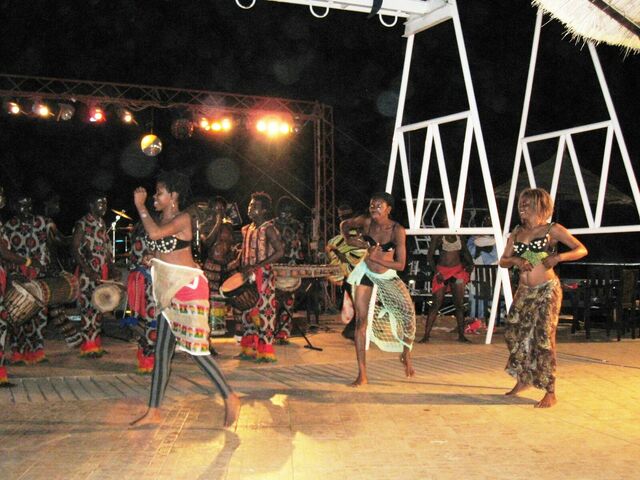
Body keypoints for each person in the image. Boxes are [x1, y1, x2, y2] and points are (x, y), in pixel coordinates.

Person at [130, 171, 240, 428]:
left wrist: (140, 206)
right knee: (161, 353)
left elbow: (156, 235)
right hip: (169, 291)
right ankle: (154, 410)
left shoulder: (183, 219)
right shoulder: (161, 219)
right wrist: (151, 257)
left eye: (159, 193)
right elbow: (159, 246)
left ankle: (230, 396)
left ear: (173, 196)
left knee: (195, 350)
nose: (154, 197)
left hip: (188, 290)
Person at [499, 188, 587, 408]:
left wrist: (558, 257)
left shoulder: (551, 229)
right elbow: (503, 260)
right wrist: (517, 261)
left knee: (544, 338)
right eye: (521, 204)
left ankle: (550, 390)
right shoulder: (517, 232)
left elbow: (581, 249)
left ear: (540, 206)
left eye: (527, 204)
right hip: (524, 290)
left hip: (547, 290)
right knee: (513, 333)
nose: (522, 207)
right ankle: (524, 378)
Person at [342, 192, 416, 386]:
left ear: (388, 209)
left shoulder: (397, 230)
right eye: (372, 205)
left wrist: (376, 258)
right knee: (361, 322)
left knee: (408, 315)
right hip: (366, 272)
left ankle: (406, 354)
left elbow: (401, 265)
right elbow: (345, 225)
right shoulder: (367, 222)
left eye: (378, 206)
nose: (373, 209)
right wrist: (350, 240)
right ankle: (362, 374)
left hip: (387, 274)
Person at [1, 196, 71, 363]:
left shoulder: (43, 222)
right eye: (22, 206)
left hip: (40, 274)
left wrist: (72, 238)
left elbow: (56, 241)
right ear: (15, 207)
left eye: (28, 205)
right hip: (18, 276)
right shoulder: (8, 226)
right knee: (18, 315)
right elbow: (5, 253)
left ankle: (36, 351)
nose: (26, 209)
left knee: (39, 316)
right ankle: (18, 352)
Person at [237, 192, 284, 362]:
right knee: (246, 312)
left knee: (265, 313)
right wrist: (237, 264)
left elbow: (280, 252)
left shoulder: (269, 229)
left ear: (264, 210)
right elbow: (244, 250)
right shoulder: (247, 229)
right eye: (250, 205)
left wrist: (257, 266)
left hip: (263, 277)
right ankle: (249, 348)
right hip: (247, 275)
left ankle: (266, 352)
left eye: (254, 206)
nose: (250, 208)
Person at [72, 193, 120, 357]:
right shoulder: (82, 223)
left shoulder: (101, 223)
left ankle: (95, 344)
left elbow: (106, 249)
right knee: (88, 310)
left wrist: (112, 267)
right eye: (100, 204)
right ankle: (88, 346)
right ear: (91, 205)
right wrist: (87, 270)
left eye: (105, 203)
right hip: (88, 274)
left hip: (100, 273)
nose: (104, 207)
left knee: (98, 309)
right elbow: (75, 249)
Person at [418, 218, 474, 344]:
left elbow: (465, 252)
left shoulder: (459, 235)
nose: (448, 221)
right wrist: (437, 272)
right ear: (443, 221)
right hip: (442, 272)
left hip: (457, 272)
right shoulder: (438, 235)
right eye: (446, 219)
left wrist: (470, 264)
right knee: (436, 304)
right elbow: (430, 256)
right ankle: (426, 335)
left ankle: (461, 336)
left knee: (459, 304)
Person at [325, 203, 364, 340]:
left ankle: (353, 331)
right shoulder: (349, 236)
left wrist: (337, 253)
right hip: (353, 276)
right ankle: (352, 331)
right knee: (358, 305)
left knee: (358, 305)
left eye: (344, 216)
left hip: (356, 275)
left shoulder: (351, 235)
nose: (342, 219)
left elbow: (346, 257)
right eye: (341, 217)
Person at [201, 196, 237, 343]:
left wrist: (233, 260)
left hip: (226, 266)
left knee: (234, 297)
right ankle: (207, 340)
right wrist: (217, 222)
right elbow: (207, 243)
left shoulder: (229, 226)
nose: (219, 211)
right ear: (211, 209)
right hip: (211, 267)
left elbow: (231, 246)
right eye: (216, 208)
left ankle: (241, 334)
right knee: (209, 303)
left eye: (222, 208)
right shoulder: (205, 226)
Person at [273, 196, 306, 343]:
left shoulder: (297, 225)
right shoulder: (272, 224)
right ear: (278, 210)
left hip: (292, 266)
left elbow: (300, 244)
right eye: (283, 210)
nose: (286, 213)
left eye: (289, 211)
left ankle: (283, 333)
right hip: (275, 265)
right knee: (273, 301)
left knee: (288, 301)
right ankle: (271, 331)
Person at [127, 222, 157, 373]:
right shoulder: (148, 238)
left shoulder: (141, 237)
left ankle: (145, 356)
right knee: (151, 321)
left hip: (142, 283)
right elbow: (151, 260)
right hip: (146, 284)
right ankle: (148, 360)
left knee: (144, 321)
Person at [466, 214, 499, 327]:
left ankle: (491, 320)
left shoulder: (498, 237)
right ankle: (476, 319)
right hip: (477, 273)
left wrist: (480, 249)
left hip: (492, 273)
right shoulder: (473, 238)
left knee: (491, 296)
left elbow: (496, 256)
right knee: (475, 294)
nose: (487, 222)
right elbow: (471, 252)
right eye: (485, 220)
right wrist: (485, 249)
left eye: (489, 220)